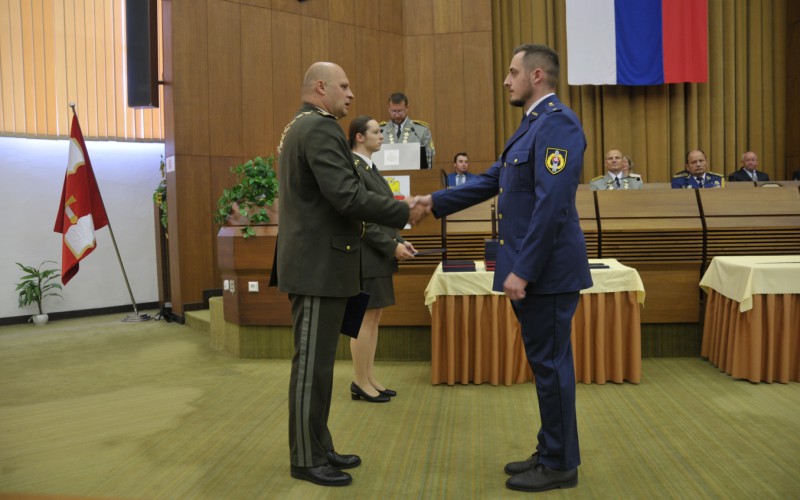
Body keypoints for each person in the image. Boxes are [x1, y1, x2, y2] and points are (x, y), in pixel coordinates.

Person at [418, 44, 591, 493]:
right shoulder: (531, 126)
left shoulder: (558, 123)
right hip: (537, 270)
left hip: (547, 273)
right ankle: (550, 449)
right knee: (545, 365)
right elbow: (491, 180)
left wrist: (524, 270)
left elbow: (552, 205)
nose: (506, 80)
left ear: (537, 75)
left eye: (513, 72)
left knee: (551, 366)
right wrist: (433, 201)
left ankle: (560, 464)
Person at [274, 62, 426, 487]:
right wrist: (402, 210)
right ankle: (306, 458)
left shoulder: (302, 125)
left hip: (318, 264)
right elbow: (345, 195)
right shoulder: (319, 128)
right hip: (316, 266)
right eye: (343, 86)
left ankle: (319, 446)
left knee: (321, 366)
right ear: (320, 87)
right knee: (312, 367)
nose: (351, 94)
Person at [347, 115, 416, 403]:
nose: (382, 136)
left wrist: (398, 240)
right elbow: (361, 218)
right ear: (359, 137)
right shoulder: (353, 167)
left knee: (374, 318)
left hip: (377, 254)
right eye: (376, 132)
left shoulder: (370, 167)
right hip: (364, 255)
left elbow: (383, 212)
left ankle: (369, 376)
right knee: (361, 319)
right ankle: (359, 381)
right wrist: (391, 246)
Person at [380, 92, 435, 169]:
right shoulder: (380, 131)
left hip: (414, 174)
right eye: (393, 111)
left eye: (400, 111)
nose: (397, 115)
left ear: (407, 108)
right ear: (388, 108)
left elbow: (429, 157)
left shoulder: (421, 130)